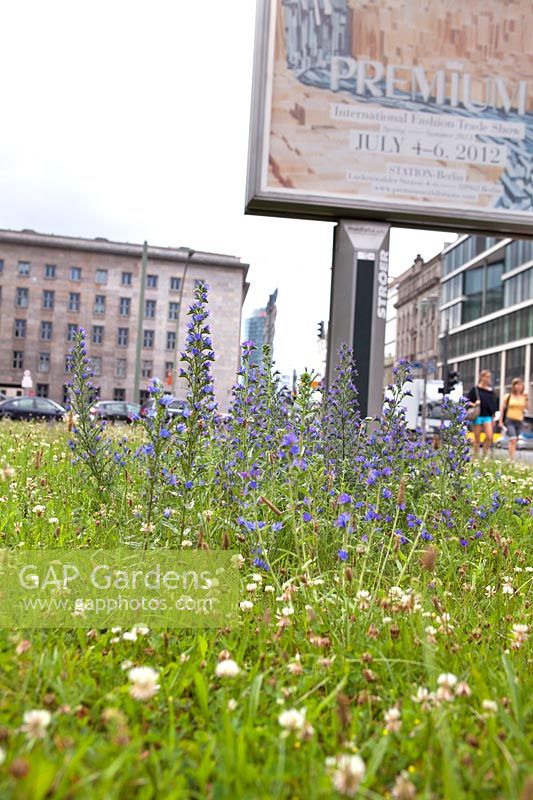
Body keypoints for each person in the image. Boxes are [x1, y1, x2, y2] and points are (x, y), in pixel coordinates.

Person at [467, 370, 498, 457]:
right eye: (487, 377)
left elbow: (493, 404)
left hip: (487, 415)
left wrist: (493, 415)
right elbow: (467, 401)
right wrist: (475, 403)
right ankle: (476, 456)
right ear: (482, 377)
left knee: (489, 436)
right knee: (477, 437)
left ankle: (484, 455)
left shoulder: (490, 391)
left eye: (489, 377)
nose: (488, 379)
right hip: (478, 415)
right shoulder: (475, 389)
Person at [500, 377, 528, 461]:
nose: (519, 387)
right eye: (517, 385)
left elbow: (527, 408)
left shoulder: (523, 397)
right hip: (510, 420)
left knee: (515, 440)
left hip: (519, 421)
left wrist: (526, 398)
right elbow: (502, 409)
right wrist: (500, 421)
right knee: (513, 439)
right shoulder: (508, 396)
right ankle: (511, 459)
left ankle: (512, 457)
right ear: (514, 386)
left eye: (520, 385)